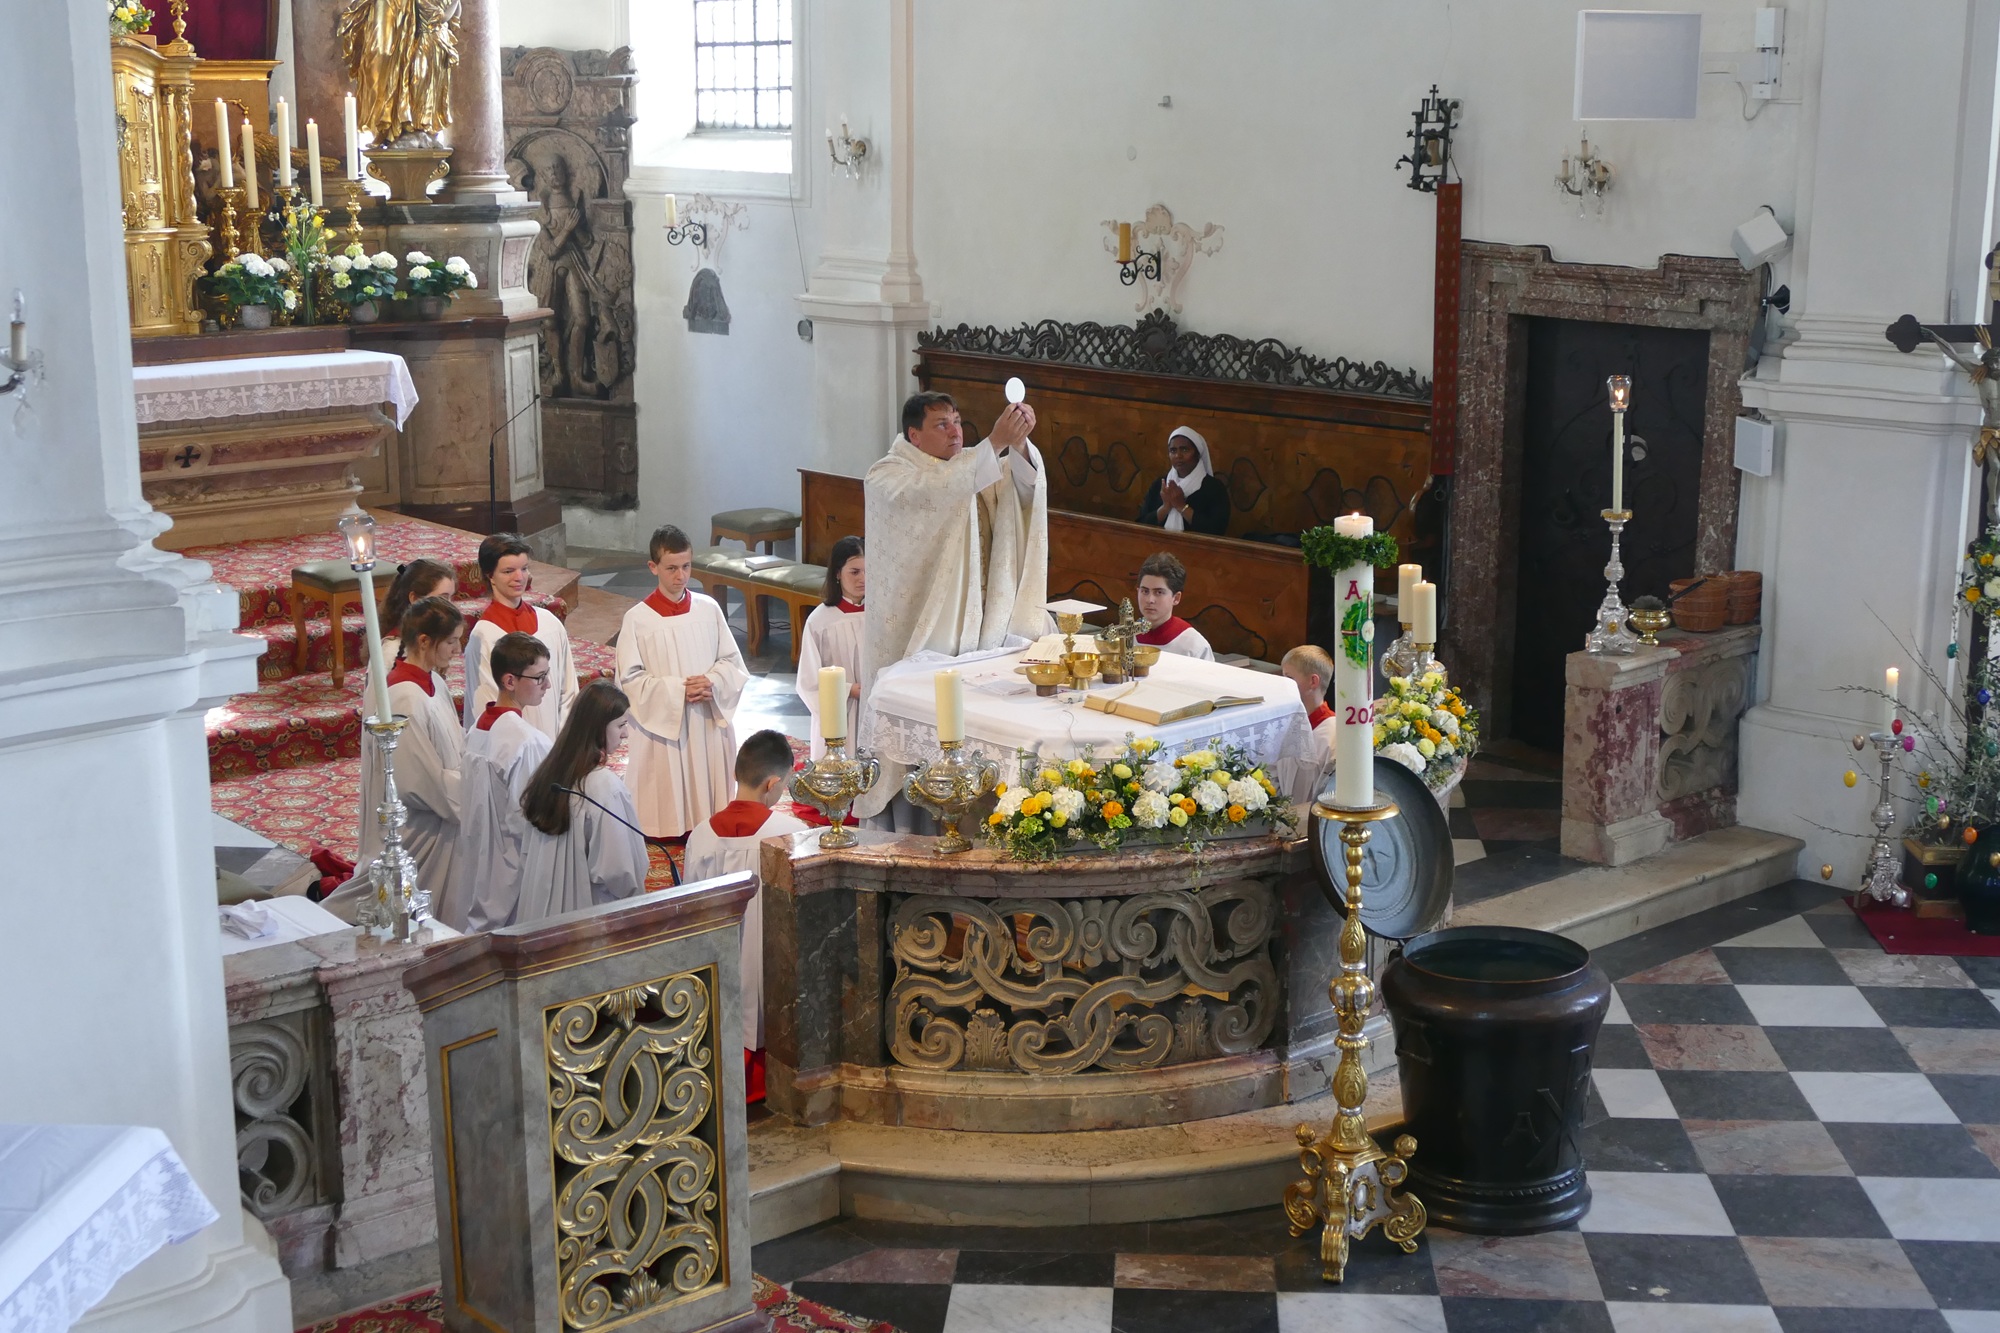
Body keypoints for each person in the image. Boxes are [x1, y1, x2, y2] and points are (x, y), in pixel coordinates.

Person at [859, 391, 1048, 822]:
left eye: (958, 421)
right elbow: (934, 492)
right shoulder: (888, 475)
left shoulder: (973, 466)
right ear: (914, 435)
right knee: (915, 742)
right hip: (920, 635)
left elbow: (1023, 493)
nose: (955, 432)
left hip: (975, 633)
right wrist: (995, 443)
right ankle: (907, 831)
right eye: (942, 424)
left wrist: (1018, 443)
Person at [322, 595, 466, 923]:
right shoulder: (405, 696)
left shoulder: (434, 682)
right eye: (451, 642)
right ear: (424, 641)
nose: (456, 650)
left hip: (442, 815)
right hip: (421, 822)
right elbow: (416, 780)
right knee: (385, 897)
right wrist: (469, 789)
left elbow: (453, 742)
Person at [684, 729, 809, 1101]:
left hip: (717, 962)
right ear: (772, 783)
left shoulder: (701, 836)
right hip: (771, 963)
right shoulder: (790, 833)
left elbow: (690, 908)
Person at [618, 525, 749, 840]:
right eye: (672, 568)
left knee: (709, 798)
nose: (681, 576)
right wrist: (678, 691)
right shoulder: (638, 619)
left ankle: (707, 820)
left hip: (705, 716)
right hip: (664, 726)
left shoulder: (708, 609)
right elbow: (630, 680)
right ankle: (666, 828)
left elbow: (732, 662)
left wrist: (712, 682)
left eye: (687, 566)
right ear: (653, 567)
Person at [439, 632, 553, 931]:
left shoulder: (479, 726)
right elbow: (528, 817)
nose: (548, 685)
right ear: (510, 681)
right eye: (540, 677)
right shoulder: (526, 741)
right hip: (511, 859)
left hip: (478, 850)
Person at [515, 680, 649, 924]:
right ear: (598, 728)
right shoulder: (604, 788)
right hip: (585, 919)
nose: (625, 733)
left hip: (540, 912)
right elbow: (619, 871)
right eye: (620, 725)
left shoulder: (548, 774)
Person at [462, 533, 579, 741]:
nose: (519, 577)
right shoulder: (484, 636)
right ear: (490, 575)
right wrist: (523, 744)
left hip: (554, 745)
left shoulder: (549, 623)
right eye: (508, 571)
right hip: (512, 745)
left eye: (524, 568)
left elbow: (568, 689)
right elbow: (485, 702)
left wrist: (562, 744)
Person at [794, 535, 865, 758]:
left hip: (873, 709)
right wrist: (848, 689)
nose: (863, 579)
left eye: (868, 571)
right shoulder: (820, 621)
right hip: (838, 714)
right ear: (837, 573)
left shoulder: (881, 617)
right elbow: (808, 681)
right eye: (855, 572)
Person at [1137, 426, 1229, 535]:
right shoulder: (1161, 484)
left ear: (1197, 454)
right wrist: (1165, 508)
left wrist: (1181, 506)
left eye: (1185, 449)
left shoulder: (1214, 488)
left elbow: (1217, 531)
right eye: (1173, 450)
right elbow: (1141, 523)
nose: (1178, 455)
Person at [1282, 643, 1338, 801]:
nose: (1283, 684)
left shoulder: (1334, 735)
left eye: (1289, 678)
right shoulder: (1285, 725)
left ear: (1313, 681)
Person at [1135, 552, 1214, 660]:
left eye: (1159, 592)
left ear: (1176, 598)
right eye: (1145, 591)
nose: (1150, 600)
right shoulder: (1125, 637)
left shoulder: (1194, 646)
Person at [377, 556, 456, 662]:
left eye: (451, 598)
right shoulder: (392, 651)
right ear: (415, 599)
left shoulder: (433, 637)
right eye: (443, 598)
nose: (451, 607)